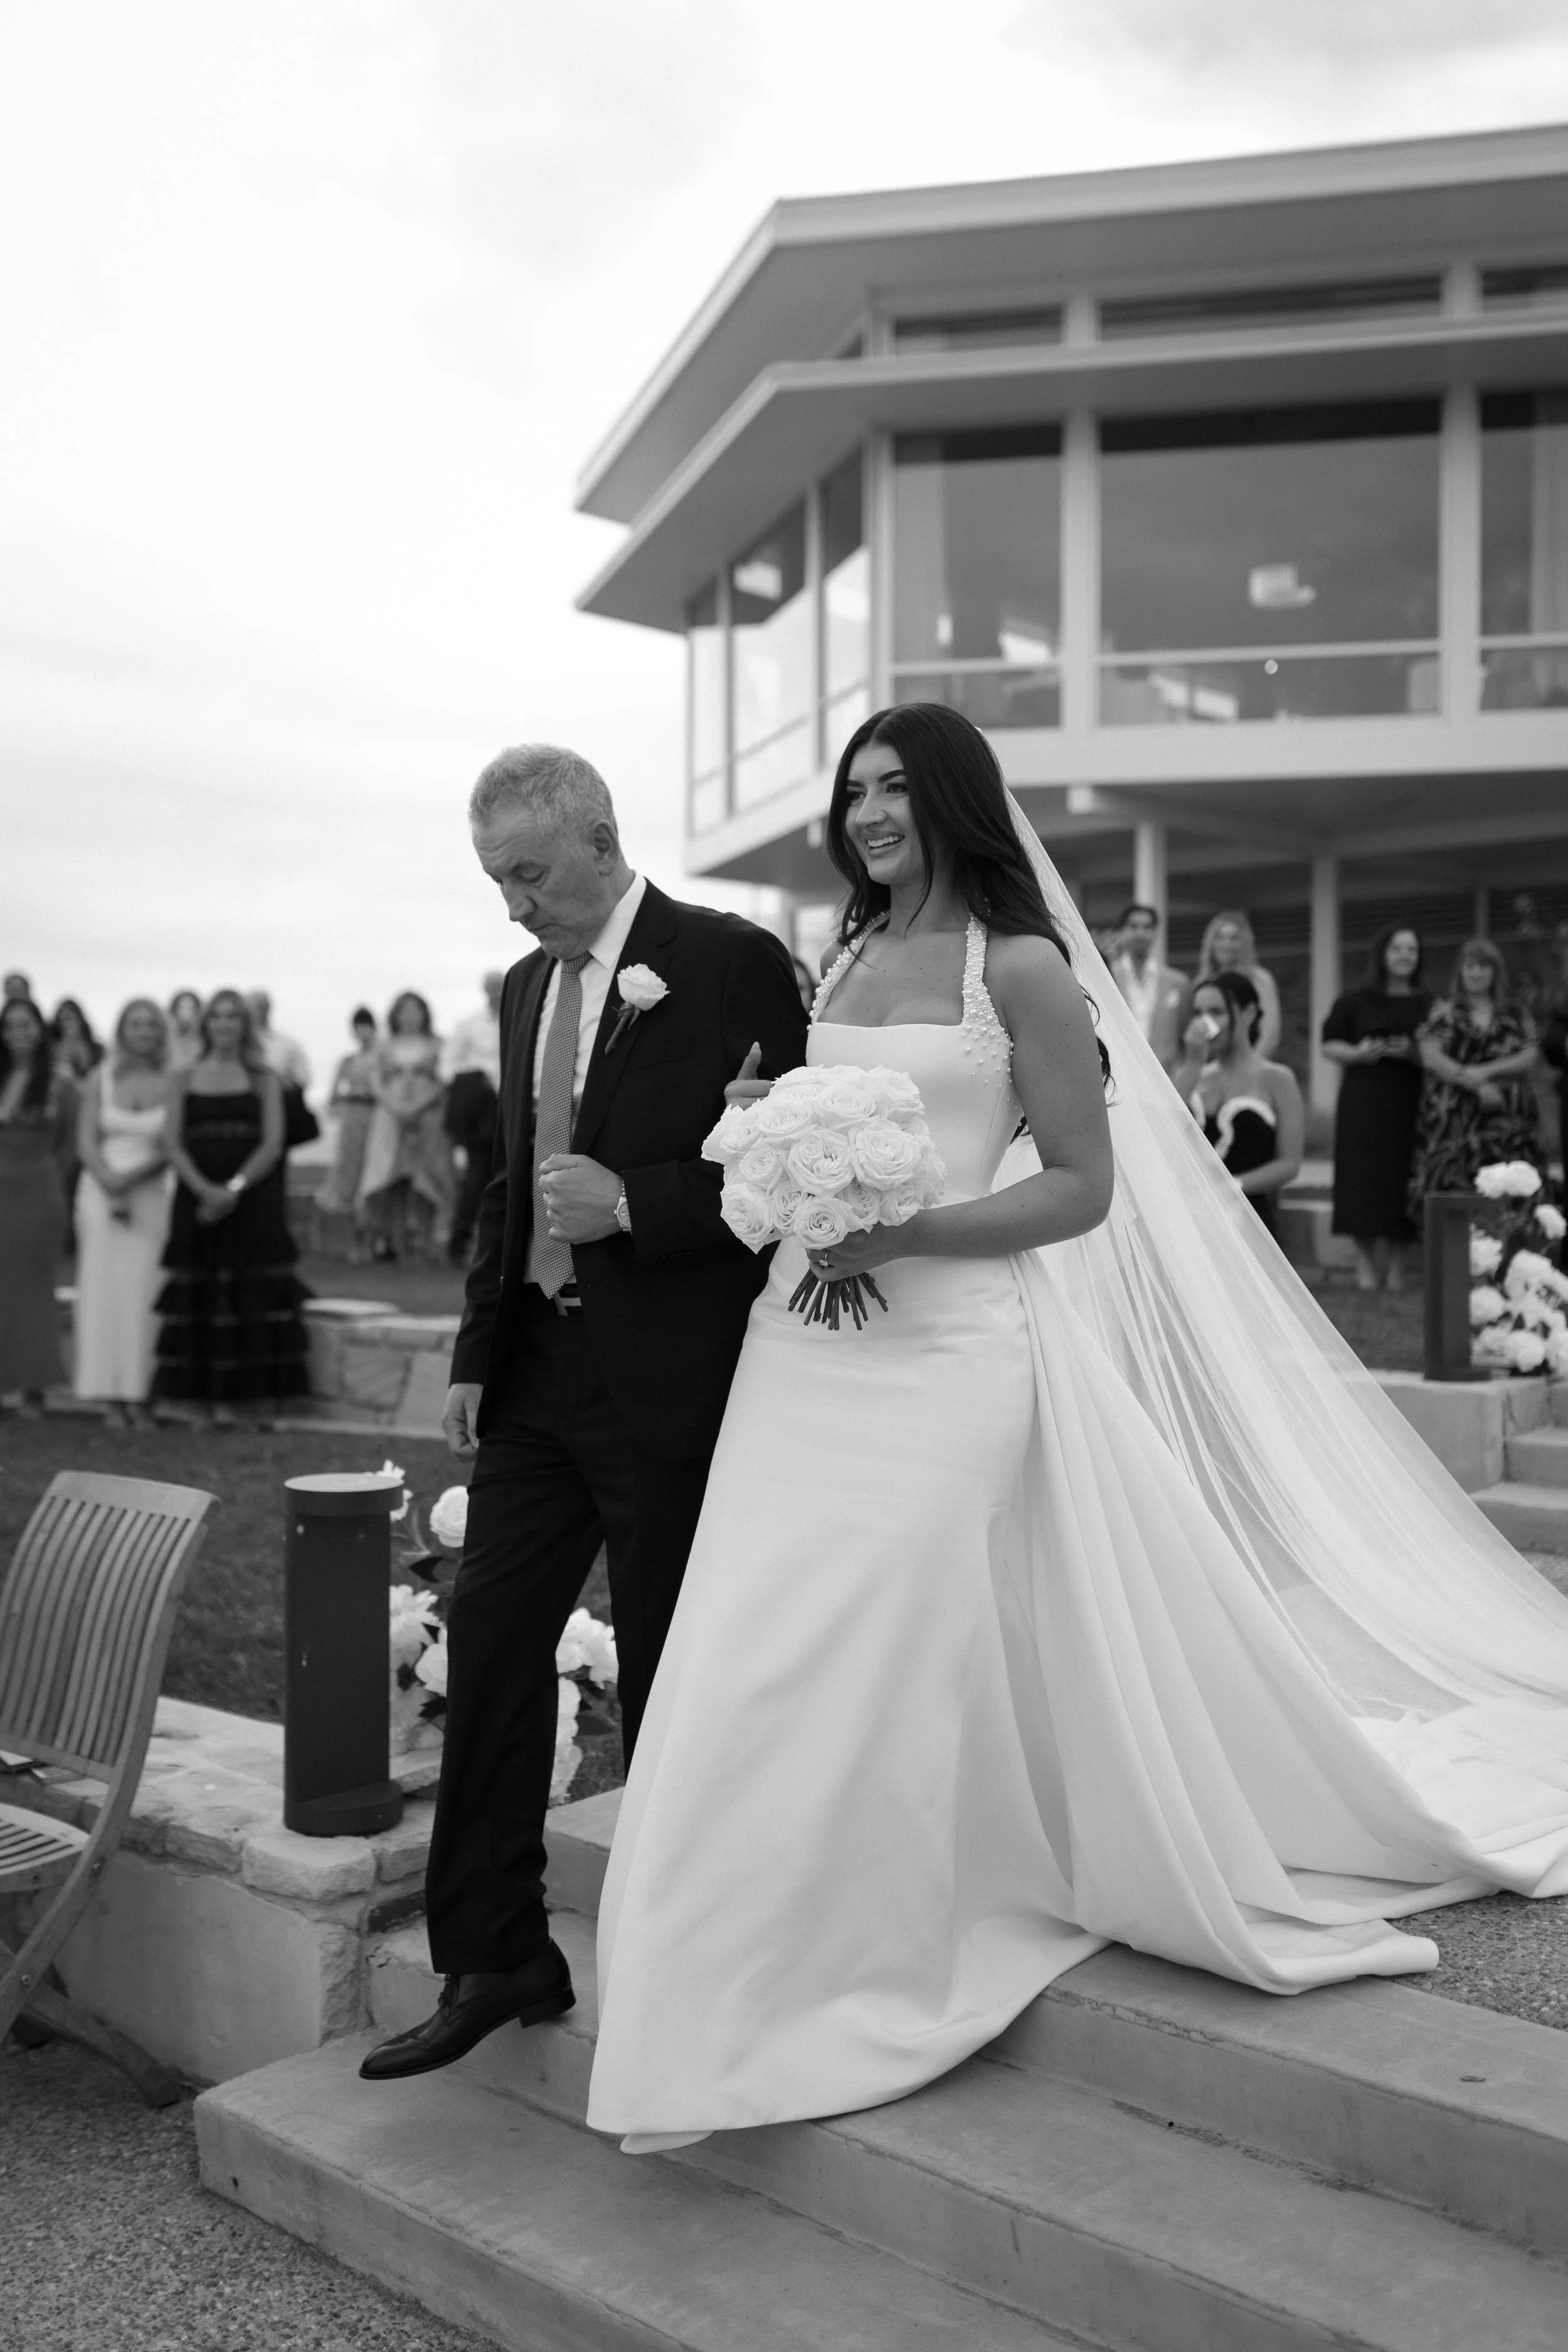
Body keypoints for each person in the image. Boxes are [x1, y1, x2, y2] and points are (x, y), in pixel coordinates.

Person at [547, 702, 1568, 2154]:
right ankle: (724, 1950)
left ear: (953, 800)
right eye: (855, 789)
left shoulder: (1018, 965)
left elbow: (1082, 1185)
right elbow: (820, 1118)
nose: (869, 811)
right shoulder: (843, 951)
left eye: (896, 787)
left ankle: (880, 1938)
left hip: (950, 1348)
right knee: (757, 1634)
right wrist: (761, 1130)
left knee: (887, 1634)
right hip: (802, 1348)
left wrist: (908, 1228)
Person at [359, 741, 808, 2084]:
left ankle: (700, 1978)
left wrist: (635, 1205)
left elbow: (784, 1170)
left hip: (667, 1381)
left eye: (531, 875)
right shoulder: (521, 988)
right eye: (497, 881)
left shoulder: (725, 961)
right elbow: (511, 1185)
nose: (515, 907)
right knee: (492, 1649)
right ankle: (495, 1956)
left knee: (673, 1677)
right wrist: (473, 1353)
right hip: (535, 1385)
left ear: (601, 842)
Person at [153, 989, 310, 1427]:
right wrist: (205, 1190)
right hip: (196, 1198)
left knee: (251, 1295)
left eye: (233, 1017)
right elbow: (171, 1142)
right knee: (201, 1297)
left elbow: (273, 1143)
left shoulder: (264, 1078)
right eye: (217, 1017)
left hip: (253, 1201)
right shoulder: (182, 1076)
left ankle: (248, 1401)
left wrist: (233, 1189)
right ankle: (200, 1402)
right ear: (205, 1024)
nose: (225, 1025)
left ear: (246, 1026)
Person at [73, 999, 175, 1424]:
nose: (143, 1032)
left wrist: (131, 1182)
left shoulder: (175, 1081)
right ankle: (108, 1394)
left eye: (151, 1024)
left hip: (152, 1192)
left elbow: (172, 1146)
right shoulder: (100, 1078)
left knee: (146, 1293)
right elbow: (86, 1141)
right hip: (99, 1194)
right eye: (135, 1024)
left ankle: (142, 1394)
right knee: (102, 1292)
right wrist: (109, 1183)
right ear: (122, 1030)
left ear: (161, 1032)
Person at [1321, 926, 1433, 1291]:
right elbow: (1328, 1044)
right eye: (1398, 948)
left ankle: (1398, 1267)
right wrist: (1358, 1053)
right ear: (1383, 954)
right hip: (1363, 1101)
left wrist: (1412, 1052)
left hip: (1408, 1100)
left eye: (1411, 949)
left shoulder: (1428, 1003)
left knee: (1402, 1178)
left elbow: (1441, 1054)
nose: (1405, 955)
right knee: (1362, 1179)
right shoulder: (1355, 1000)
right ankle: (1366, 1265)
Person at [1411, 938, 1542, 1212]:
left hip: (1511, 1116)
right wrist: (1474, 1083)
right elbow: (1431, 1056)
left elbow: (1530, 1056)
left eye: (1484, 967)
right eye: (1470, 966)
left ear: (1496, 972)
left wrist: (1485, 1072)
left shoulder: (1516, 1013)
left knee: (1514, 1194)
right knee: (1453, 1184)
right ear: (1460, 971)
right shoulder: (1445, 1012)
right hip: (1456, 1118)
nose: (1477, 973)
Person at [1172, 970, 1304, 1237]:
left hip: (1249, 1217)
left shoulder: (1277, 1078)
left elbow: (1289, 1164)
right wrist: (1193, 1063)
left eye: (1216, 1012)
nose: (1206, 1023)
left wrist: (1232, 1187)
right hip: (1189, 1216)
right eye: (1198, 1013)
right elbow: (1162, 1131)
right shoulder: (1193, 1075)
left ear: (1249, 1013)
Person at [0, 996, 72, 1412]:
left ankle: (34, 1387)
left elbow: (70, 1145)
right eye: (10, 1027)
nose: (18, 1034)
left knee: (33, 1291)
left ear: (40, 1030)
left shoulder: (61, 1082)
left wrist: (49, 1179)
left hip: (39, 1193)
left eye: (25, 1025)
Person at [358, 992, 453, 1261]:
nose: (410, 1016)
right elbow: (375, 1080)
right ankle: (394, 1240)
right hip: (390, 1116)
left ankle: (429, 1241)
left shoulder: (438, 1044)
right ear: (395, 1015)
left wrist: (419, 1105)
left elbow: (445, 1080)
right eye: (404, 1010)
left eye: (416, 1010)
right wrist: (396, 1106)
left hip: (429, 1115)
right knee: (391, 1178)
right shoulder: (383, 1046)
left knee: (428, 1177)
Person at [442, 972, 504, 1266]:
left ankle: (501, 1245)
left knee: (509, 1175)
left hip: (513, 1105)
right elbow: (448, 1066)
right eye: (492, 988)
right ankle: (459, 1243)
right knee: (476, 1177)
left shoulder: (521, 1016)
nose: (496, 993)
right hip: (481, 1112)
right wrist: (477, 1079)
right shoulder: (469, 1025)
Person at [315, 1007, 379, 1251]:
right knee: (349, 1174)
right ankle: (353, 1240)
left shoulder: (382, 1057)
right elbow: (334, 1096)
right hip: (353, 1118)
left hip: (377, 1116)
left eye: (366, 1026)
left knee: (374, 1173)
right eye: (358, 1027)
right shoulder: (348, 1062)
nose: (363, 1032)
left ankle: (374, 1239)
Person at [1107, 901, 1187, 1074]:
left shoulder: (1177, 982)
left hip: (1166, 1077)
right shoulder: (1108, 978)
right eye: (1134, 927)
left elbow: (1183, 1036)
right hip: (1121, 1073)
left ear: (1156, 932)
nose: (1140, 933)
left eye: (1147, 927)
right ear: (1122, 931)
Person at [1195, 909, 1282, 1060]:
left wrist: (1250, 1067)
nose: (1226, 944)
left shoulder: (1259, 980)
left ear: (1244, 944)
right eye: (1220, 937)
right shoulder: (1202, 983)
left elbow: (1271, 1034)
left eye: (1233, 939)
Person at [246, 991, 312, 1091]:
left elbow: (303, 1080)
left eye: (262, 1007)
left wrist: (276, 1080)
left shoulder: (288, 1045)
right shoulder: (233, 1046)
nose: (256, 1012)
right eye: (252, 1008)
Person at [50, 997, 103, 1083]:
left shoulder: (98, 1049)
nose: (65, 1024)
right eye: (61, 1021)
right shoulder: (52, 1050)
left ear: (80, 1020)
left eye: (69, 1019)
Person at [167, 988, 205, 1070]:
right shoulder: (165, 1040)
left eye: (190, 1008)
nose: (186, 1012)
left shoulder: (206, 1040)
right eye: (181, 1007)